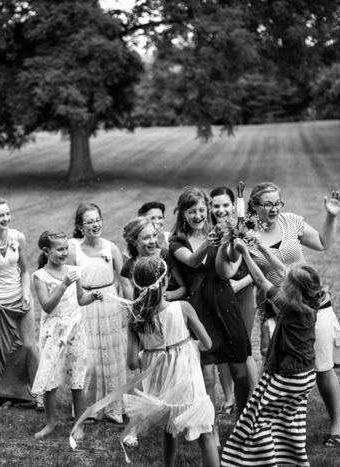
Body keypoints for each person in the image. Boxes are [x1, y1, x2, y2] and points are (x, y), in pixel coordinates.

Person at [247, 182, 340, 446]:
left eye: (278, 202)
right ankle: (282, 429)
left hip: (312, 306)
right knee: (281, 372)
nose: (274, 208)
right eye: (267, 204)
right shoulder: (247, 232)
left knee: (322, 367)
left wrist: (331, 216)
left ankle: (336, 423)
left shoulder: (290, 221)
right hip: (276, 310)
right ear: (254, 206)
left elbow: (324, 243)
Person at [222, 243, 323, 467]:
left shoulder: (292, 307)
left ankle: (261, 462)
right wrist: (261, 247)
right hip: (304, 375)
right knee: (290, 420)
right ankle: (292, 460)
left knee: (258, 420)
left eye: (286, 283)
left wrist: (246, 254)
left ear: (293, 290)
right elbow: (286, 271)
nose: (282, 280)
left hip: (288, 377)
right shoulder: (310, 301)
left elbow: (260, 280)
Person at [123, 256, 219, 467]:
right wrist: (189, 348)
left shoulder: (135, 319)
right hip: (188, 382)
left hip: (161, 387)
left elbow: (131, 363)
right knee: (205, 433)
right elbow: (207, 343)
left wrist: (150, 354)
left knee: (169, 429)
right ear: (165, 282)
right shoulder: (183, 308)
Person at [168, 187, 251, 424]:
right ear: (182, 213)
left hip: (224, 300)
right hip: (198, 306)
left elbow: (231, 261)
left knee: (239, 368)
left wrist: (235, 241)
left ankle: (242, 420)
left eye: (202, 210)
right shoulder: (176, 241)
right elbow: (193, 262)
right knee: (207, 372)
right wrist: (208, 242)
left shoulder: (221, 232)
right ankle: (208, 423)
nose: (198, 215)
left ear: (208, 210)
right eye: (191, 211)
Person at [31, 231, 103, 440]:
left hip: (75, 333)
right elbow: (47, 306)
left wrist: (92, 296)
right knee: (50, 381)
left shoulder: (73, 271)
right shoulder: (40, 277)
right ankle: (51, 423)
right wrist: (63, 284)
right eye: (59, 249)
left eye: (66, 248)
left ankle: (78, 425)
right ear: (46, 251)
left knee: (77, 379)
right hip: (54, 334)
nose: (64, 253)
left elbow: (80, 299)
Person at [0, 198, 39, 408]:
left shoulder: (18, 237)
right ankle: (7, 394)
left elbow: (25, 270)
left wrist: (27, 293)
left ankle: (39, 392)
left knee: (29, 346)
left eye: (8, 214)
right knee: (5, 351)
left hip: (20, 300)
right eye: (1, 215)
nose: (6, 218)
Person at [68, 203, 127, 424]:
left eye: (98, 220)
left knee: (112, 358)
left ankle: (113, 408)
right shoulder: (73, 250)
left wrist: (127, 310)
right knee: (89, 360)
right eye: (90, 221)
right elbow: (70, 287)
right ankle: (87, 409)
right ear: (80, 226)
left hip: (110, 304)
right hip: (86, 307)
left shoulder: (110, 248)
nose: (95, 224)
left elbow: (125, 281)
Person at [208, 186, 259, 415]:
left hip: (243, 290)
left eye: (225, 205)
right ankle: (229, 397)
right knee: (222, 346)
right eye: (216, 205)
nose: (220, 209)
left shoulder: (246, 228)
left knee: (243, 347)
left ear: (233, 205)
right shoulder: (210, 231)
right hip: (219, 293)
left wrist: (241, 283)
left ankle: (253, 399)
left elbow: (259, 266)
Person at [120, 216, 187, 301]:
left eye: (154, 235)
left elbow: (184, 288)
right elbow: (130, 300)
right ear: (133, 241)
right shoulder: (129, 266)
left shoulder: (166, 255)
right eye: (146, 238)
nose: (153, 241)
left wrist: (165, 296)